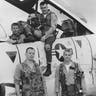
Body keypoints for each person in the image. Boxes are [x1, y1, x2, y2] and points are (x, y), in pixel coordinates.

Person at [39, 1, 58, 76]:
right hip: (42, 34)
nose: (43, 9)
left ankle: (49, 68)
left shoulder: (52, 15)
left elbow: (53, 27)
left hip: (50, 35)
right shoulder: (40, 16)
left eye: (44, 7)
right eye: (42, 8)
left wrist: (45, 36)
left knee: (47, 47)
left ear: (47, 7)